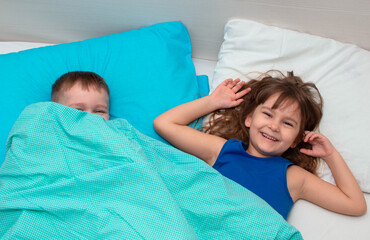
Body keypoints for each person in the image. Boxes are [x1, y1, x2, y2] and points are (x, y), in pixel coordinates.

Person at [153, 70, 366, 220]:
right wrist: (213, 102)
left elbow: (355, 205)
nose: (274, 126)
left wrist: (331, 155)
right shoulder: (223, 150)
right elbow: (164, 124)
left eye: (287, 123)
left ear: (296, 139)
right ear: (249, 119)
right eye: (268, 114)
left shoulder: (292, 177)